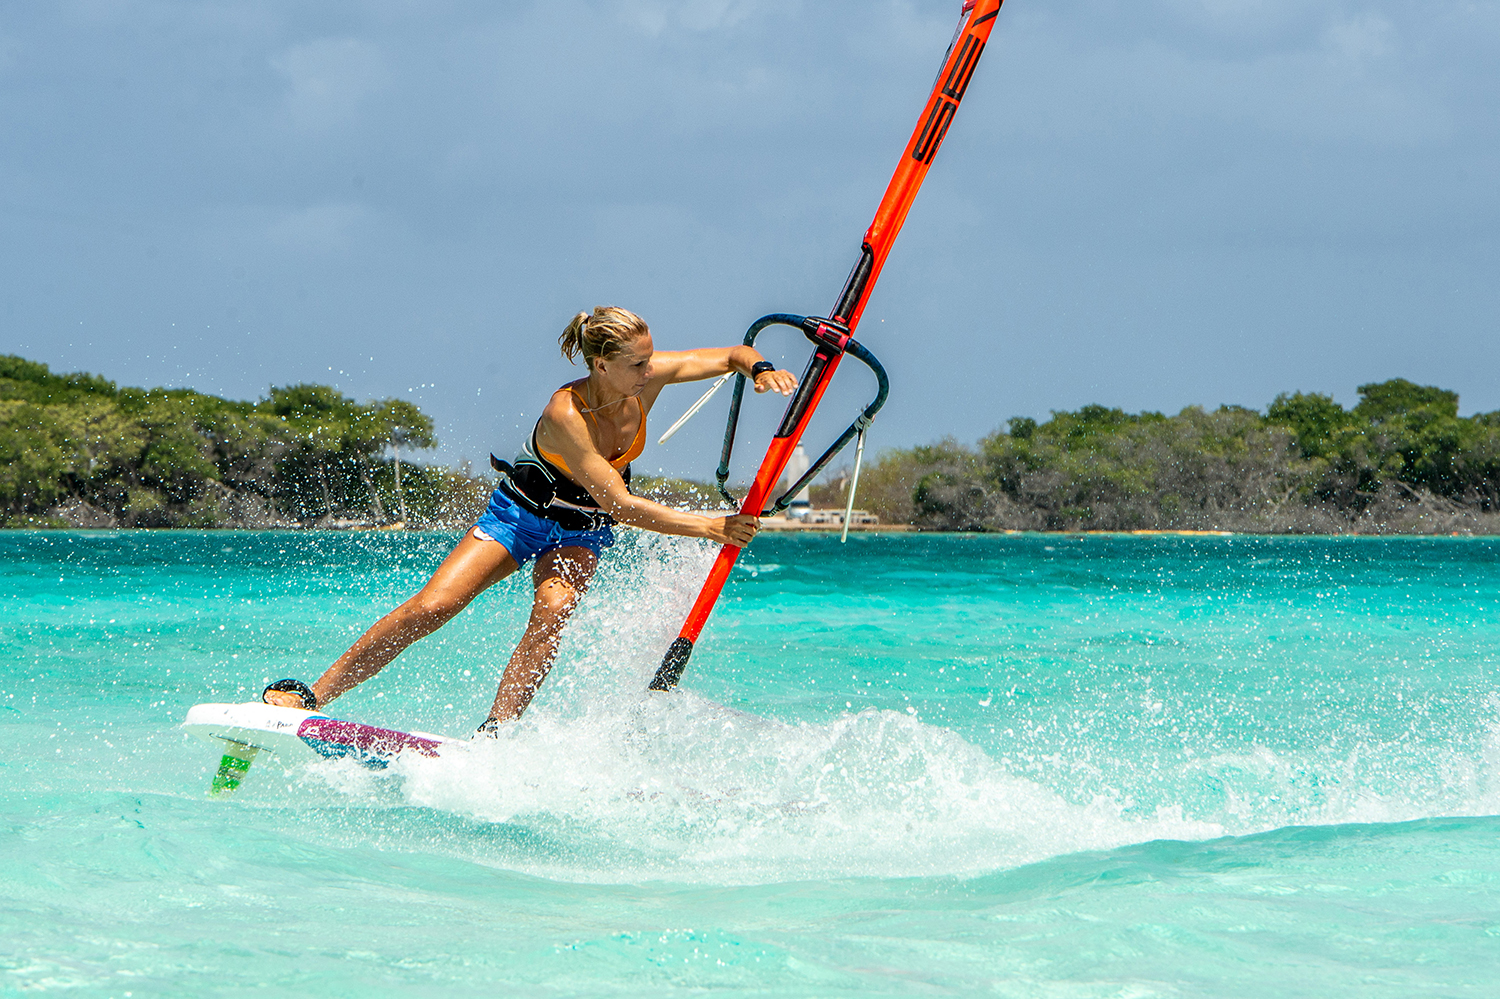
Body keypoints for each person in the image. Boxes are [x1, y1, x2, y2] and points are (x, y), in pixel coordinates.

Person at [262, 307, 797, 732]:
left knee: (553, 609)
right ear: (600, 365)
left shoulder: (646, 379)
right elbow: (622, 505)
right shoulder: (564, 413)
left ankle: (496, 731)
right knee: (436, 605)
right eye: (637, 363)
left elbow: (731, 353)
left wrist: (760, 369)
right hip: (521, 515)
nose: (650, 369)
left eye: (650, 358)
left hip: (582, 528)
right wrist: (711, 526)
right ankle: (315, 695)